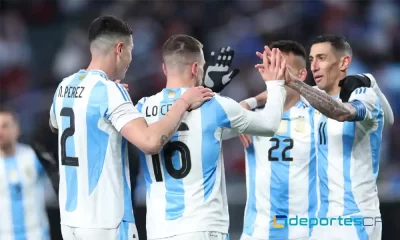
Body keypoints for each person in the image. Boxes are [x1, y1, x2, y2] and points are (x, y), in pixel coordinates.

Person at [48, 16, 213, 240]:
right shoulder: (109, 92)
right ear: (120, 48)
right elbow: (150, 142)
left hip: (69, 222)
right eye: (131, 51)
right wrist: (182, 103)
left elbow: (55, 124)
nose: (130, 59)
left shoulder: (64, 86)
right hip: (106, 222)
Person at [135, 34, 287, 240]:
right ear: (196, 68)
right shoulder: (216, 105)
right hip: (202, 227)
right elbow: (269, 125)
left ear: (164, 68)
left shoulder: (141, 108)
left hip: (158, 231)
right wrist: (276, 84)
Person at [280, 34, 393, 240]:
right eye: (311, 59)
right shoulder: (313, 97)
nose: (313, 66)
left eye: (321, 58)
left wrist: (372, 84)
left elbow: (341, 112)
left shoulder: (363, 96)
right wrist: (249, 103)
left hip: (356, 219)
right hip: (323, 221)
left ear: (344, 62)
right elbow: (283, 97)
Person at [238, 40, 317, 240]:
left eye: (283, 69)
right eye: (273, 68)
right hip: (257, 233)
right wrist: (248, 102)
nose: (277, 76)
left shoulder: (318, 116)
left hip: (306, 233)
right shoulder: (249, 117)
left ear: (301, 76)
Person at [0, 107, 50, 240]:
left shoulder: (33, 156)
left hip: (36, 235)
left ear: (16, 129)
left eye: (5, 126)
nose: (0, 132)